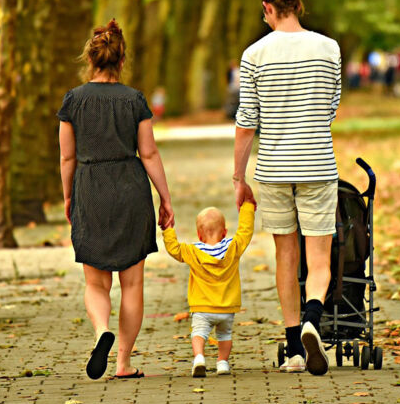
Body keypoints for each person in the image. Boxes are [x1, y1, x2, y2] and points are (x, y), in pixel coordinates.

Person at [232, 0, 341, 376]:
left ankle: (295, 347)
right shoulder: (329, 49)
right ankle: (314, 317)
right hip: (317, 164)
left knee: (285, 254)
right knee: (319, 256)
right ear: (298, 5)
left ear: (268, 9)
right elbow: (331, 107)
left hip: (274, 170)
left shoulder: (254, 54)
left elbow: (247, 121)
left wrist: (238, 175)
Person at [58, 19, 174, 380]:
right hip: (130, 187)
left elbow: (66, 158)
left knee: (96, 283)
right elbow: (150, 154)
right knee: (133, 284)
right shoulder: (134, 99)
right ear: (122, 61)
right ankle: (123, 363)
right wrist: (165, 199)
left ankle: (100, 332)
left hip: (90, 187)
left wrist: (68, 197)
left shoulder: (73, 101)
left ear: (89, 60)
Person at [163, 203, 256, 377]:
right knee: (225, 335)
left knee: (199, 333)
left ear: (198, 234)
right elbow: (246, 232)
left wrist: (168, 229)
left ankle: (199, 358)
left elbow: (173, 249)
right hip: (227, 308)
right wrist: (247, 207)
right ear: (224, 232)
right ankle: (223, 363)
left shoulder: (192, 251)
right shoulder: (233, 247)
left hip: (202, 308)